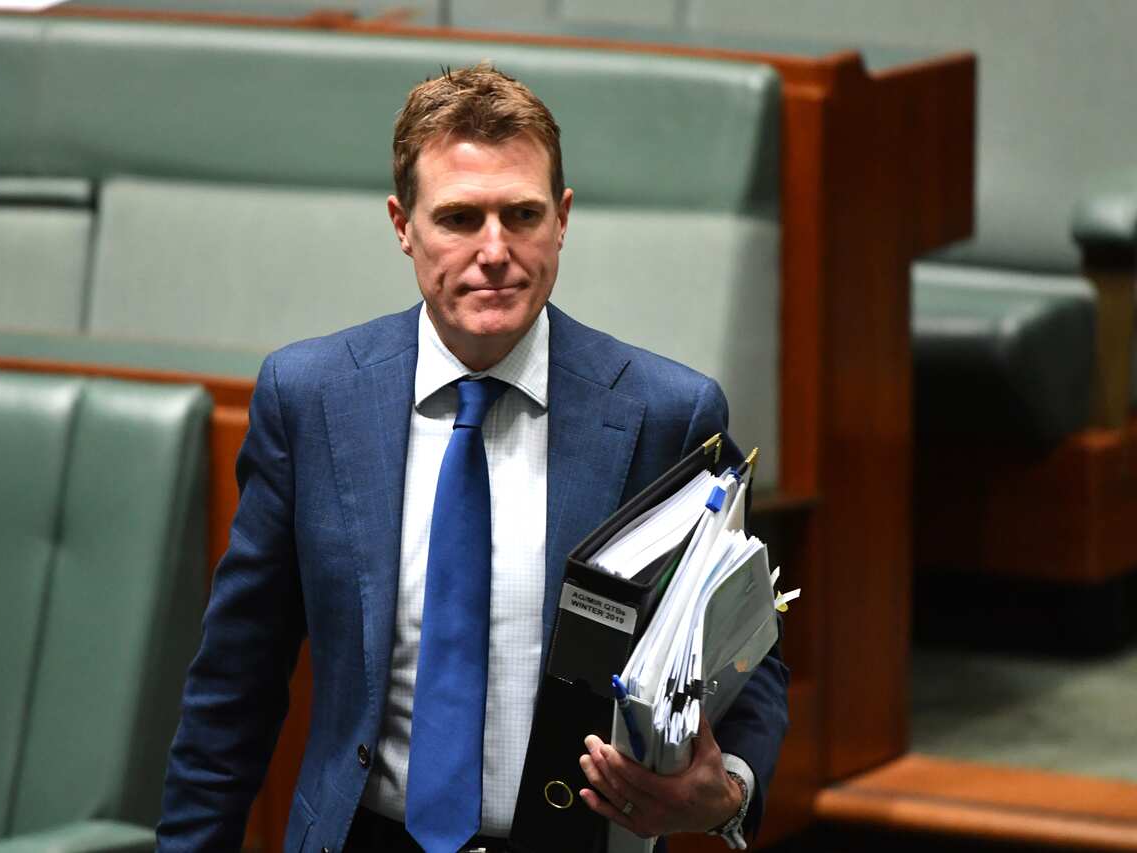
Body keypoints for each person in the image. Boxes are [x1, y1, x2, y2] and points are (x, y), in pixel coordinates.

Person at [158, 63, 788, 853]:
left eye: (520, 214)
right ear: (402, 225)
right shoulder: (312, 399)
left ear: (561, 220)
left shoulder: (667, 413)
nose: (494, 250)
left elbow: (744, 655)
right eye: (459, 218)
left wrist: (727, 790)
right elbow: (235, 684)